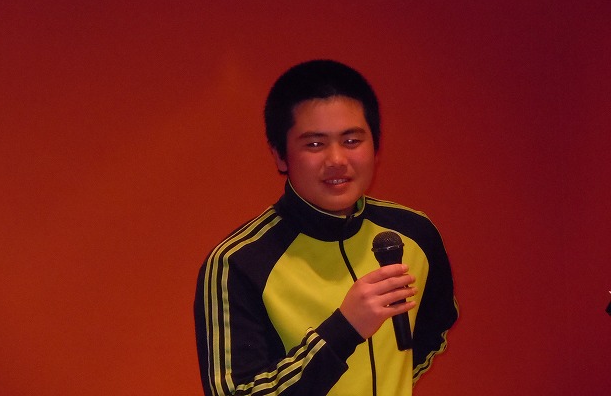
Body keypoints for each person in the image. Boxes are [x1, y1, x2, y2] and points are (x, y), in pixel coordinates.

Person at [194, 60, 458, 396]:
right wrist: (344, 329)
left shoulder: (415, 232)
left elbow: (432, 334)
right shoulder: (238, 262)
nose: (336, 160)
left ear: (376, 146)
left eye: (351, 140)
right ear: (280, 155)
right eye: (315, 144)